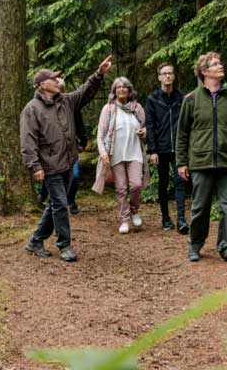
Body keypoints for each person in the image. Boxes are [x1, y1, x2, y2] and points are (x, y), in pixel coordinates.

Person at [20, 55, 113, 262]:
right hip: (49, 165)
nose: (57, 81)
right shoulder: (31, 109)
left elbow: (84, 91)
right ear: (43, 84)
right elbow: (28, 141)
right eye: (53, 79)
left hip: (68, 162)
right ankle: (64, 245)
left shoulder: (66, 101)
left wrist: (98, 74)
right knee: (61, 204)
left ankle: (36, 240)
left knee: (55, 203)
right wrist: (34, 165)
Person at [176, 51, 227, 265]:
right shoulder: (191, 100)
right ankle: (195, 244)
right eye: (215, 64)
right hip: (200, 162)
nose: (221, 66)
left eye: (220, 62)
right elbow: (182, 134)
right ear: (204, 71)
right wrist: (182, 162)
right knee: (200, 207)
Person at [93, 77, 149, 234]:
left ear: (129, 90)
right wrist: (103, 152)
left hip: (135, 153)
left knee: (136, 184)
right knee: (121, 188)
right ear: (114, 90)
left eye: (125, 87)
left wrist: (144, 132)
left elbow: (145, 128)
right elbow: (100, 134)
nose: (122, 89)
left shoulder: (137, 108)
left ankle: (134, 211)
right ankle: (124, 220)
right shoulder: (108, 109)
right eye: (118, 87)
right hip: (115, 155)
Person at [144, 62, 188, 234]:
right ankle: (165, 218)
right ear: (159, 77)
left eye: (170, 73)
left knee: (180, 182)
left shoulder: (182, 98)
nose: (167, 76)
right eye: (164, 73)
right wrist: (152, 150)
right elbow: (150, 124)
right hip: (161, 149)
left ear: (174, 76)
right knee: (163, 184)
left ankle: (182, 220)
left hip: (178, 148)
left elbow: (186, 123)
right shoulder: (152, 99)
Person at [37, 78, 87, 214]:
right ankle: (44, 196)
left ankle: (71, 200)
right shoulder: (42, 107)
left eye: (62, 89)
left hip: (71, 149)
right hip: (53, 151)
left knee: (74, 175)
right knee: (52, 174)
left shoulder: (72, 105)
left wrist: (83, 141)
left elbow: (80, 125)